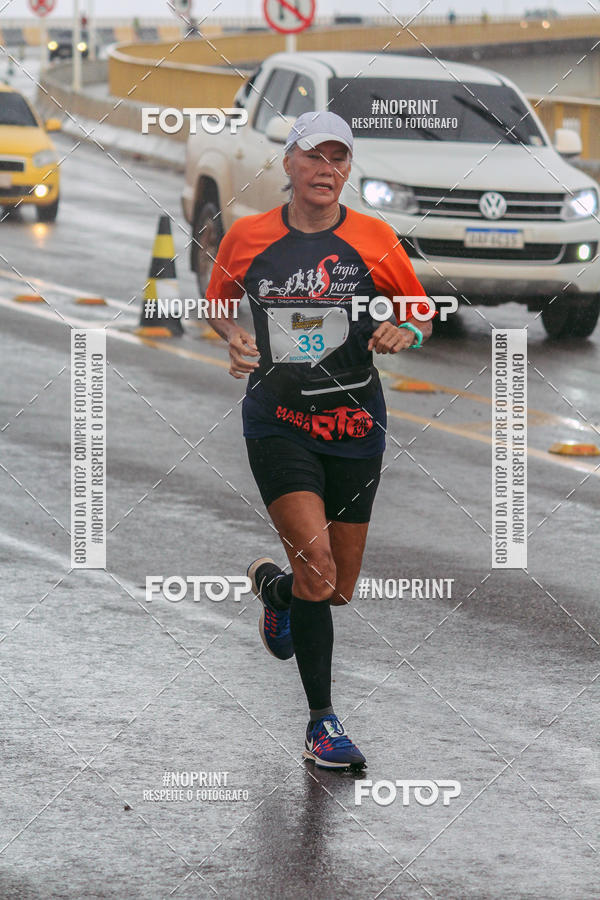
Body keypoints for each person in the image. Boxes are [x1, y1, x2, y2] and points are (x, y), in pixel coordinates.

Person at [205, 110, 432, 769]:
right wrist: (234, 337)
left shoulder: (373, 237)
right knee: (320, 568)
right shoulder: (248, 237)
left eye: (339, 158)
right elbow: (218, 299)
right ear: (290, 164)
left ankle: (276, 594)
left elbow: (418, 307)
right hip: (278, 420)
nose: (326, 169)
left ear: (347, 169)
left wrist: (405, 331)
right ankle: (321, 724)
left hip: (356, 422)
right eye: (314, 156)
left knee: (334, 588)